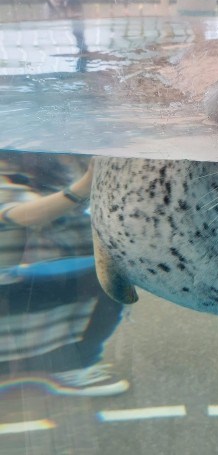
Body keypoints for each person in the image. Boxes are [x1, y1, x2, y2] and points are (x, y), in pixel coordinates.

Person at [0, 152, 128, 396]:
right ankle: (73, 367)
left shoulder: (31, 173)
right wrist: (86, 184)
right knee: (111, 280)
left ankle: (67, 363)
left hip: (25, 280)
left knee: (112, 277)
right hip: (10, 289)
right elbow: (21, 215)